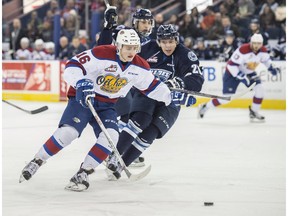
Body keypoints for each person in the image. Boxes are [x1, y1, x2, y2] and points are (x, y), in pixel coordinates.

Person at [19, 29, 172, 192]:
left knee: (111, 137)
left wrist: (171, 96)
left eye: (135, 48)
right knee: (68, 133)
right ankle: (37, 161)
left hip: (107, 105)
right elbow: (73, 65)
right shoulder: (102, 53)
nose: (131, 52)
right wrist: (81, 82)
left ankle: (82, 173)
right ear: (119, 46)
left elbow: (152, 86)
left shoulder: (140, 66)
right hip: (84, 100)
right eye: (128, 47)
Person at [106, 24, 204, 180]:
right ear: (158, 41)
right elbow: (127, 61)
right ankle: (113, 156)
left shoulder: (185, 55)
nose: (168, 45)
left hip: (171, 101)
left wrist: (180, 84)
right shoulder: (147, 48)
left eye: (171, 41)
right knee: (139, 120)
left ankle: (121, 164)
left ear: (176, 40)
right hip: (148, 93)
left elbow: (196, 79)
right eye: (164, 42)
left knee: (151, 133)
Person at [98, 7, 155, 166]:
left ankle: (118, 149)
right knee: (127, 114)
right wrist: (109, 26)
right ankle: (112, 151)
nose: (146, 25)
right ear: (135, 22)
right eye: (143, 22)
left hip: (134, 86)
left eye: (149, 22)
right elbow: (101, 46)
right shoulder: (124, 32)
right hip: (116, 81)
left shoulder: (152, 42)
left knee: (134, 118)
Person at [198, 33, 280, 122]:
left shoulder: (263, 51)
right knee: (226, 98)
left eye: (259, 43)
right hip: (232, 74)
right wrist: (242, 77)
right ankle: (205, 106)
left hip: (249, 73)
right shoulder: (243, 49)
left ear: (262, 44)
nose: (256, 46)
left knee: (260, 90)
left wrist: (272, 68)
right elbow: (231, 65)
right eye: (254, 43)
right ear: (251, 42)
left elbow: (267, 61)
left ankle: (254, 111)